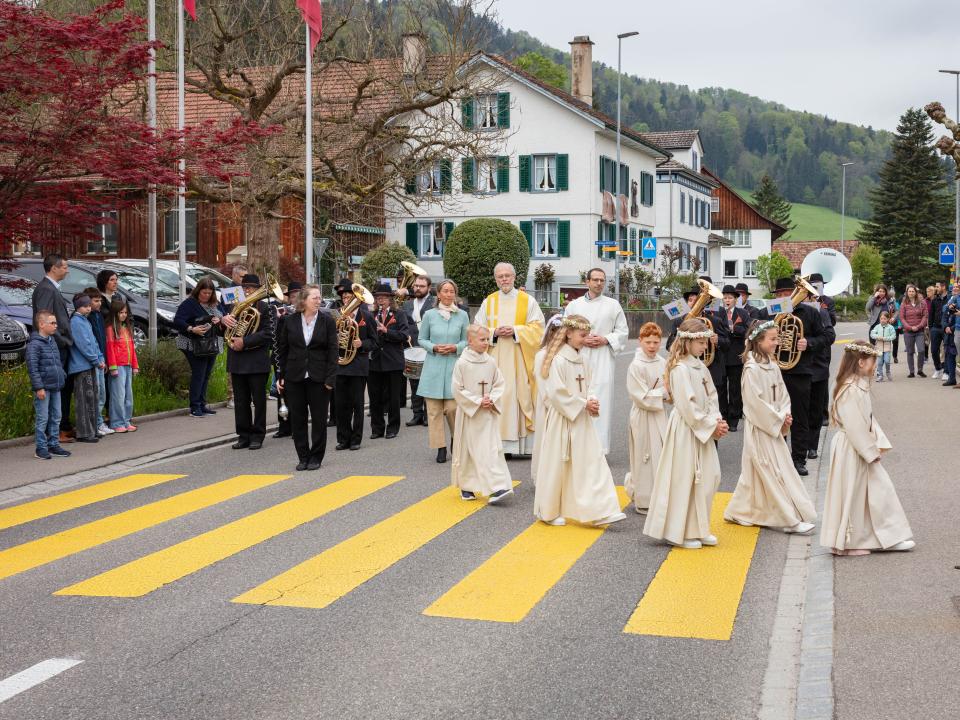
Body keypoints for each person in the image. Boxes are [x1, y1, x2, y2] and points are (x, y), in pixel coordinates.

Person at [820, 340, 915, 556]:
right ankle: (854, 541)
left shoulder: (858, 385)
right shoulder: (850, 389)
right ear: (862, 363)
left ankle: (883, 537)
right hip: (853, 448)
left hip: (857, 447)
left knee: (866, 493)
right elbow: (854, 426)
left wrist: (877, 442)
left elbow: (868, 420)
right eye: (873, 362)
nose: (875, 366)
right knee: (860, 492)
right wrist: (870, 452)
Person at [723, 320, 817, 534]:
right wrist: (776, 419)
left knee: (757, 475)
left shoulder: (773, 365)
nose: (777, 343)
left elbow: (783, 394)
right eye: (773, 339)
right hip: (761, 428)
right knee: (769, 471)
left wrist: (785, 414)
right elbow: (753, 403)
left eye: (777, 338)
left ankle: (740, 510)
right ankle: (788, 520)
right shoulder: (751, 369)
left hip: (773, 426)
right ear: (759, 341)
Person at [533, 315, 625, 527]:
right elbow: (556, 393)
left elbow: (591, 385)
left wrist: (591, 400)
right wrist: (583, 404)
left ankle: (602, 510)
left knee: (592, 463)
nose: (586, 340)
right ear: (568, 334)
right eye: (582, 336)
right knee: (557, 465)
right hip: (562, 419)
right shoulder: (557, 360)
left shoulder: (583, 360)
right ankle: (548, 511)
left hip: (581, 419)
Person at [643, 317, 728, 549]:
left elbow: (712, 396)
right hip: (686, 431)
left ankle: (700, 528)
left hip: (703, 430)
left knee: (710, 477)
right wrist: (710, 425)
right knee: (687, 479)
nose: (704, 347)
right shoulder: (680, 369)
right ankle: (682, 532)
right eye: (700, 343)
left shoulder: (701, 367)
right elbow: (687, 405)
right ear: (688, 343)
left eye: (705, 342)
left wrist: (716, 419)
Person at [473, 262, 545, 457]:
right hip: (494, 359)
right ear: (495, 279)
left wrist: (516, 331)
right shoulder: (489, 301)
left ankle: (523, 446)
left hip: (519, 358)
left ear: (514, 277)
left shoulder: (527, 301)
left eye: (507, 275)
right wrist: (493, 332)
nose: (504, 279)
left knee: (518, 396)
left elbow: (539, 329)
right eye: (500, 276)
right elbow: (477, 329)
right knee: (498, 397)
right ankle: (499, 446)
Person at [763, 276, 833, 477]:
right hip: (775, 372)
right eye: (781, 294)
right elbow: (755, 330)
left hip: (800, 371)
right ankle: (779, 458)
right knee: (777, 417)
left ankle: (798, 460)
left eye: (789, 293)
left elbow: (827, 337)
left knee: (800, 417)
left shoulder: (810, 312)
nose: (786, 296)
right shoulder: (772, 310)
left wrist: (808, 343)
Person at [562, 268, 628, 455]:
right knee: (578, 398)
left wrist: (605, 339)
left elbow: (623, 332)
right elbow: (564, 332)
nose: (599, 283)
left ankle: (599, 449)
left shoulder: (613, 305)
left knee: (601, 402)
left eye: (602, 280)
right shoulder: (573, 306)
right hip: (578, 357)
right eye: (595, 280)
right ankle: (577, 447)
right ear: (587, 282)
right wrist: (582, 340)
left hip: (602, 357)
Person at [276, 284, 339, 471]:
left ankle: (316, 457)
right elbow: (282, 351)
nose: (319, 301)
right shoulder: (290, 321)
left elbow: (333, 351)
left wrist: (330, 379)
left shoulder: (327, 321)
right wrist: (281, 376)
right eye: (315, 298)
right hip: (295, 377)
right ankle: (303, 456)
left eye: (320, 298)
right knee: (298, 419)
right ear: (303, 300)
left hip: (319, 378)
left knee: (319, 420)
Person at [450, 325, 514, 504]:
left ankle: (496, 488)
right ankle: (467, 486)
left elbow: (499, 383)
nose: (486, 342)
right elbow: (457, 389)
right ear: (470, 341)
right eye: (482, 339)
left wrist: (491, 399)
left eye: (487, 339)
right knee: (469, 451)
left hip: (487, 413)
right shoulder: (462, 363)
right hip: (470, 414)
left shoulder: (490, 361)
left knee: (490, 449)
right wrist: (477, 401)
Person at [417, 279, 469, 463]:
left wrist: (455, 347)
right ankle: (440, 446)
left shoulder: (462, 315)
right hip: (433, 367)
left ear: (455, 294)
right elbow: (421, 339)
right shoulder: (429, 315)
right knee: (433, 411)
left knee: (453, 408)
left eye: (451, 291)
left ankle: (456, 438)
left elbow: (467, 341)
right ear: (438, 294)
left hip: (454, 367)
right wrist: (434, 347)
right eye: (445, 291)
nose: (448, 294)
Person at [623, 322, 668, 515]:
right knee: (644, 456)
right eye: (648, 342)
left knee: (661, 455)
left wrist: (670, 392)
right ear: (640, 341)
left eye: (656, 342)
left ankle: (660, 498)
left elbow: (669, 385)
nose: (652, 346)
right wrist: (664, 392)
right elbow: (640, 396)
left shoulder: (662, 362)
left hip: (659, 414)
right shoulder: (636, 365)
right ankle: (643, 499)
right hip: (643, 415)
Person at [226, 274, 273, 450]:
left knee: (259, 400)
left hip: (256, 361)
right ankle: (243, 435)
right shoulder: (234, 306)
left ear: (257, 290)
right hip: (237, 360)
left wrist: (244, 341)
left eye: (251, 288)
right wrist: (224, 322)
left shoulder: (265, 307)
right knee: (240, 401)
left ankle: (258, 435)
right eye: (244, 288)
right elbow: (223, 332)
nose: (247, 291)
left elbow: (268, 333)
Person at [32, 254, 74, 443]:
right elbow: (45, 319)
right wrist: (62, 339)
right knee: (54, 389)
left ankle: (57, 430)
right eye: (64, 267)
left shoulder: (51, 288)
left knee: (60, 387)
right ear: (53, 268)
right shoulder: (46, 289)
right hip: (53, 346)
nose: (67, 270)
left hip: (57, 344)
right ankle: (53, 434)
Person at [333, 278, 377, 451]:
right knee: (340, 405)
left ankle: (356, 439)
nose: (346, 299)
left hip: (358, 366)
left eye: (349, 296)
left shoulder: (366, 316)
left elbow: (375, 341)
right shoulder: (336, 314)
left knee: (357, 405)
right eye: (343, 297)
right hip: (340, 365)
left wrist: (362, 344)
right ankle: (343, 439)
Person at [173, 278, 224, 418]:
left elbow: (223, 317)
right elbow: (177, 320)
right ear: (198, 291)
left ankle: (202, 404)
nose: (206, 295)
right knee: (199, 373)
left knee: (206, 374)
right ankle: (194, 406)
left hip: (211, 343)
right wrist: (191, 328)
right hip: (193, 344)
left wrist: (218, 320)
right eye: (204, 293)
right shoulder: (190, 303)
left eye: (209, 293)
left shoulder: (215, 304)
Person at [26, 310, 70, 460]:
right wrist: (39, 387)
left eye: (56, 322)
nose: (56, 326)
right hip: (44, 387)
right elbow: (33, 367)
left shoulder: (52, 341)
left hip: (55, 385)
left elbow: (57, 362)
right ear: (41, 324)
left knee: (56, 416)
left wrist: (62, 376)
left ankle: (53, 444)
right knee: (43, 418)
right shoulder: (35, 345)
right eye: (52, 323)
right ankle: (41, 447)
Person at [368, 283, 410, 440]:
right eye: (378, 297)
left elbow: (404, 335)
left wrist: (386, 331)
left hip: (393, 361)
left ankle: (392, 428)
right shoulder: (371, 315)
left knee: (393, 398)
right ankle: (377, 428)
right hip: (375, 361)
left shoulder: (399, 314)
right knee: (375, 397)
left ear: (390, 299)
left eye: (384, 297)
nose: (381, 300)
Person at [68, 293, 106, 443]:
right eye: (85, 306)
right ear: (78, 307)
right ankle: (84, 432)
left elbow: (94, 342)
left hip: (91, 364)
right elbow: (84, 345)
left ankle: (92, 429)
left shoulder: (85, 321)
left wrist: (100, 357)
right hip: (81, 366)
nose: (89, 308)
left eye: (89, 305)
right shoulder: (76, 322)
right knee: (84, 399)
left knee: (93, 399)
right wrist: (96, 360)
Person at [530, 314, 563, 484]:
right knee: (546, 441)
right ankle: (543, 478)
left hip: (563, 406)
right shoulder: (541, 355)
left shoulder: (566, 354)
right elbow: (542, 384)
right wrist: (553, 405)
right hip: (549, 406)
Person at [807, 273, 836, 458]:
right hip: (798, 365)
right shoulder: (792, 308)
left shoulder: (826, 304)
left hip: (819, 359)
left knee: (817, 401)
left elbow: (830, 330)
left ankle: (812, 445)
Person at [401, 275, 435, 426]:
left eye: (421, 286)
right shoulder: (407, 304)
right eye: (416, 286)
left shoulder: (434, 302)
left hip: (428, 348)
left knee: (428, 382)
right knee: (414, 382)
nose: (417, 288)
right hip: (412, 347)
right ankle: (417, 414)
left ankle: (428, 415)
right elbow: (404, 324)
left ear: (428, 287)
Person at [105, 299, 139, 432]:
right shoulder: (110, 329)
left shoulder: (126, 328)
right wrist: (112, 366)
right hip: (117, 367)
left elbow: (132, 348)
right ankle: (116, 422)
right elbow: (110, 349)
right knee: (118, 396)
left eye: (125, 312)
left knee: (128, 395)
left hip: (128, 365)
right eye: (121, 312)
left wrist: (135, 365)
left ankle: (126, 420)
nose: (124, 315)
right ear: (114, 313)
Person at [719, 285, 750, 431]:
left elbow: (747, 330)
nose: (727, 300)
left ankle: (733, 419)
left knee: (735, 389)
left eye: (730, 297)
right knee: (720, 389)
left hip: (736, 356)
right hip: (720, 356)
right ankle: (722, 416)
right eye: (725, 297)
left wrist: (734, 329)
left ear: (736, 300)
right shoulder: (718, 313)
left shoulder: (742, 313)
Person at [83, 287, 111, 436]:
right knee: (96, 392)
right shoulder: (87, 318)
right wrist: (97, 359)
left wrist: (103, 358)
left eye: (100, 300)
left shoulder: (99, 315)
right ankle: (96, 422)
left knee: (102, 394)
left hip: (101, 358)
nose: (99, 303)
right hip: (94, 361)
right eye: (96, 301)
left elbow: (102, 339)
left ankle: (99, 421)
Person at [898, 283, 928, 378]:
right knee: (910, 352)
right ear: (907, 293)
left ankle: (920, 370)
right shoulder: (904, 303)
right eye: (909, 291)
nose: (911, 293)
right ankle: (911, 371)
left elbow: (925, 315)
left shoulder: (922, 303)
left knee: (921, 350)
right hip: (908, 331)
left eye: (912, 291)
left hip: (919, 331)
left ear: (915, 292)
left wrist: (919, 326)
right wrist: (909, 327)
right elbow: (902, 317)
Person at [929, 282, 947, 379]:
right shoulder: (934, 300)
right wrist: (931, 328)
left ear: (943, 287)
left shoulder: (949, 298)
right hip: (935, 328)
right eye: (935, 286)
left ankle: (946, 371)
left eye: (937, 286)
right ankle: (938, 369)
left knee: (947, 350)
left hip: (946, 328)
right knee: (934, 350)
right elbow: (931, 315)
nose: (936, 288)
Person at [870, 312, 896, 382]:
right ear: (879, 319)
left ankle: (888, 372)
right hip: (879, 348)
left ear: (888, 319)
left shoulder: (891, 327)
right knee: (879, 363)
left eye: (884, 319)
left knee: (887, 361)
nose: (883, 320)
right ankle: (880, 375)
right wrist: (878, 337)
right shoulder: (877, 327)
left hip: (887, 348)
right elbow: (872, 334)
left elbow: (893, 336)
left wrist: (886, 338)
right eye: (881, 318)